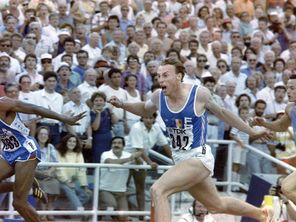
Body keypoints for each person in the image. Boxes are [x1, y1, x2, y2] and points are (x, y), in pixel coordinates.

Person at [109, 57, 274, 222]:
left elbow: (224, 113)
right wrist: (123, 104)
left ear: (179, 76)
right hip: (181, 161)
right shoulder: (158, 96)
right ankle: (263, 214)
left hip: (198, 157)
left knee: (158, 190)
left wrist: (251, 132)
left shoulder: (198, 94)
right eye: (159, 76)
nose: (160, 80)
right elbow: (144, 110)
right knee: (215, 205)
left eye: (165, 75)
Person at [0, 95, 85, 222]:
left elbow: (34, 108)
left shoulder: (3, 103)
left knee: (19, 203)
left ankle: (24, 185)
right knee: (18, 192)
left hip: (26, 151)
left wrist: (63, 118)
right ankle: (25, 184)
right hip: (9, 150)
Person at [253, 75, 296, 207]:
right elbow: (281, 126)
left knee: (287, 188)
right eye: (288, 88)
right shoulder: (290, 108)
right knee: (286, 188)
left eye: (292, 88)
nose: (288, 91)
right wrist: (264, 124)